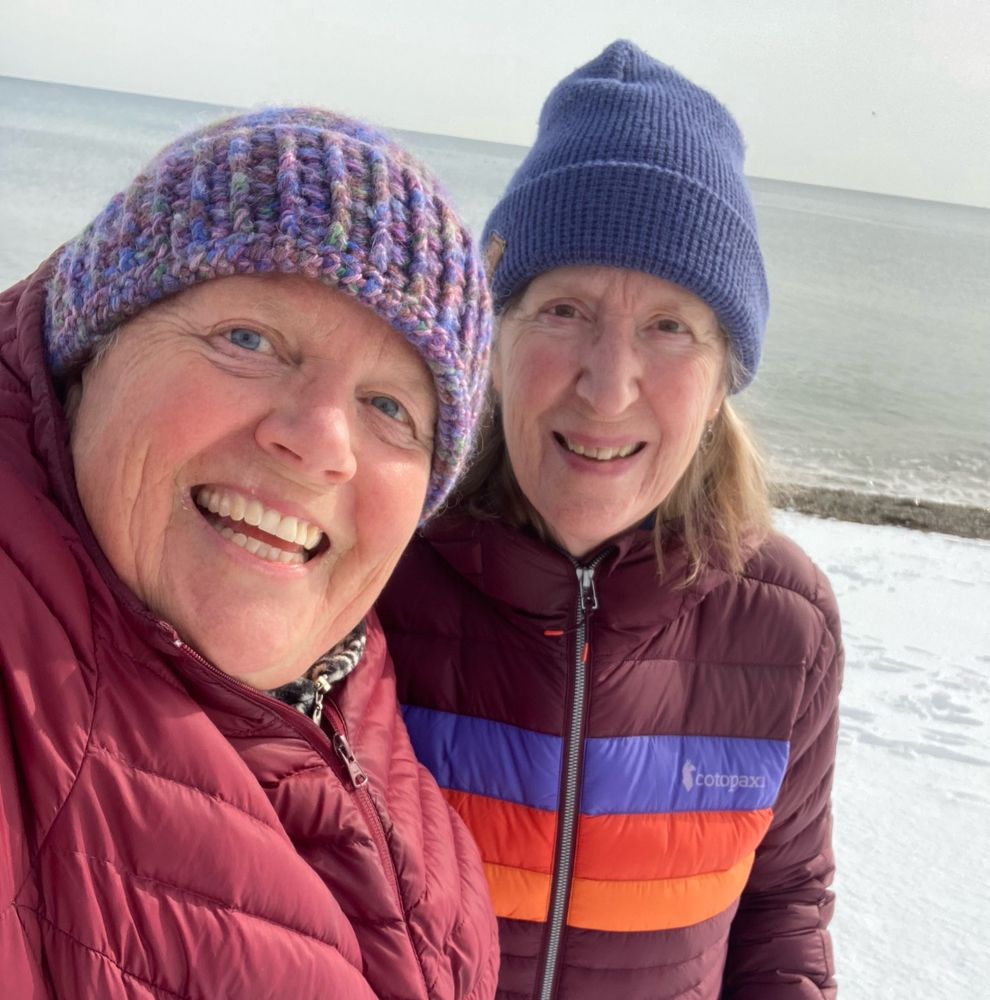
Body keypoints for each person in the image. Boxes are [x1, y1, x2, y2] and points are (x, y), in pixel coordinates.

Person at [378, 41, 842, 1000]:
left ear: (721, 381)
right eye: (564, 309)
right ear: (492, 343)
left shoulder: (787, 623)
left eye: (671, 326)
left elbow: (785, 903)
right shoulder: (373, 569)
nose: (608, 383)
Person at [0, 107, 499, 998]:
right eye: (250, 340)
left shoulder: (361, 708)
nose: (320, 443)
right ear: (90, 352)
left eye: (391, 407)